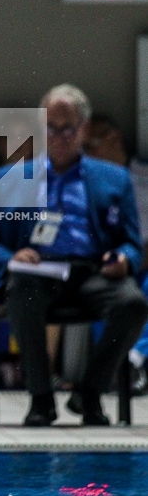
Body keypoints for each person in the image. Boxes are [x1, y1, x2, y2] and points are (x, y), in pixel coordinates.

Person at [0, 84, 148, 426]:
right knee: (21, 289)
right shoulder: (8, 179)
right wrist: (12, 256)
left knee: (134, 303)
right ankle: (40, 399)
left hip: (93, 271)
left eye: (69, 129)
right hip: (36, 272)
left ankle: (89, 394)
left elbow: (131, 242)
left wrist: (123, 259)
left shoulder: (114, 178)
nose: (60, 136)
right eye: (51, 128)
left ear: (83, 128)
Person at [84, 113, 148, 395]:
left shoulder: (143, 179)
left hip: (144, 261)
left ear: (113, 138)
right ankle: (111, 369)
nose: (84, 155)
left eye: (90, 146)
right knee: (105, 288)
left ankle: (132, 361)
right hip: (108, 263)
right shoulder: (86, 183)